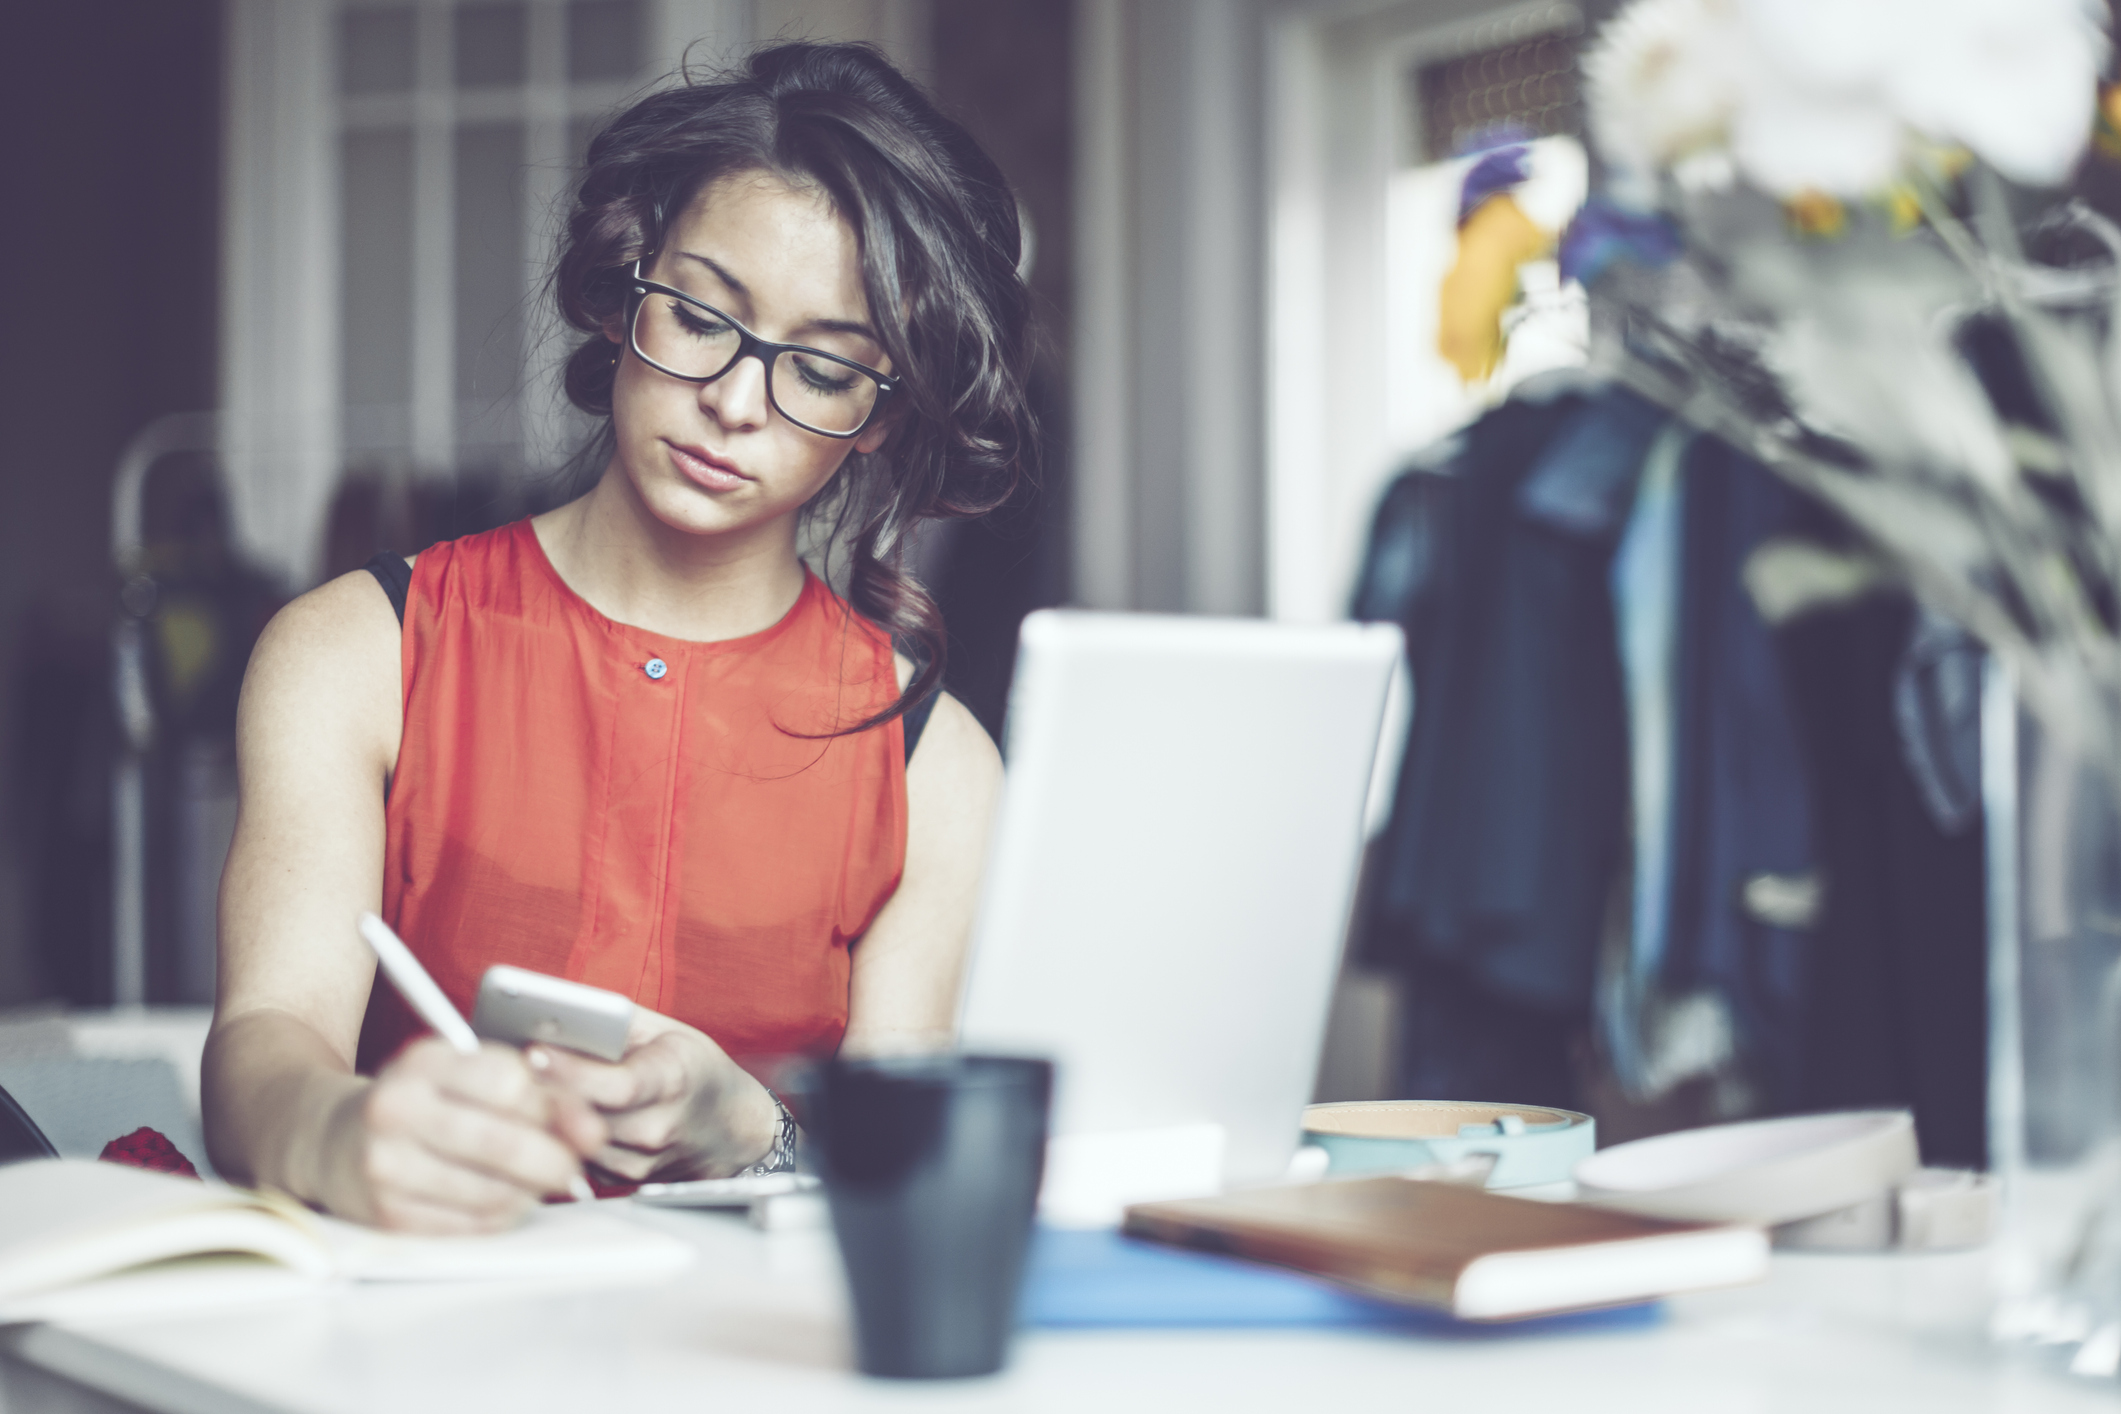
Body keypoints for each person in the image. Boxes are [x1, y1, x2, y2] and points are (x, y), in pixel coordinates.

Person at [202, 42, 1027, 1234]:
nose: (736, 402)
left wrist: (754, 1132)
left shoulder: (936, 767)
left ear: (879, 418)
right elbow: (263, 1042)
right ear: (619, 284)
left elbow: (897, 1191)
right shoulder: (351, 656)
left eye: (824, 369)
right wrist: (336, 1131)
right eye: (701, 315)